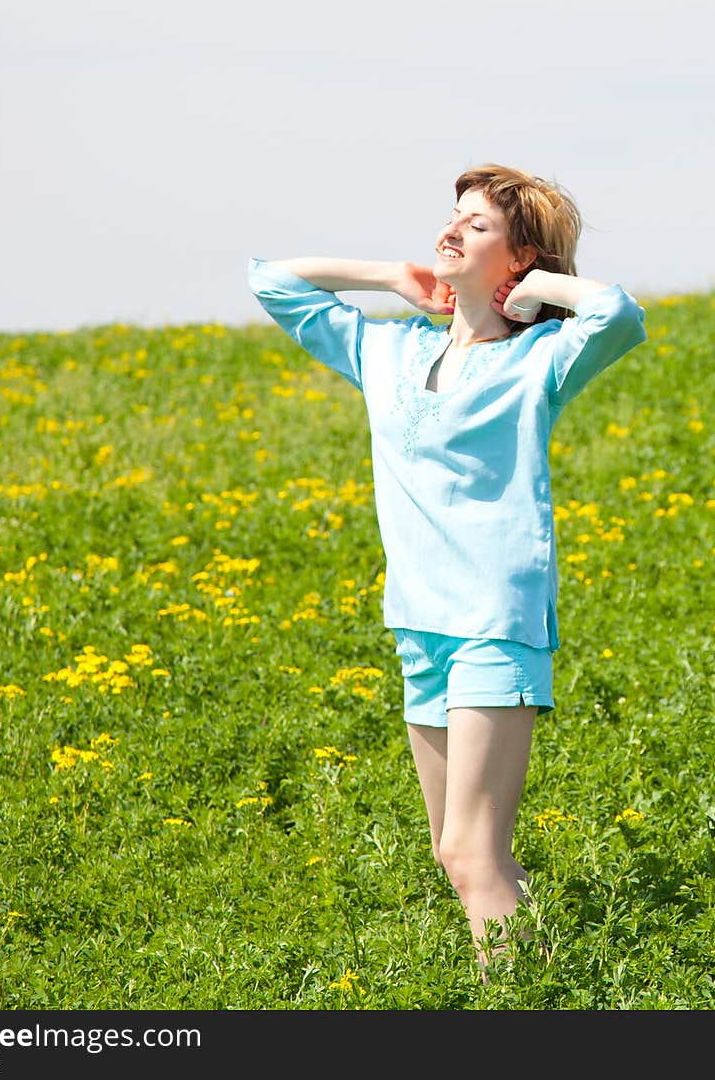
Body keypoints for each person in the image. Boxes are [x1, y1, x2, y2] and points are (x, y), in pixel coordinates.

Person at [247, 163, 647, 973]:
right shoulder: (385, 351)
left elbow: (618, 312)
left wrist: (538, 293)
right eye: (452, 217)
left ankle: (520, 1009)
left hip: (496, 622)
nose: (452, 231)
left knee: (472, 854)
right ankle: (556, 978)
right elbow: (273, 282)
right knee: (457, 855)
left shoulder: (539, 362)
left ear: (519, 256)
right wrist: (392, 277)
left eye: (478, 225)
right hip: (419, 625)